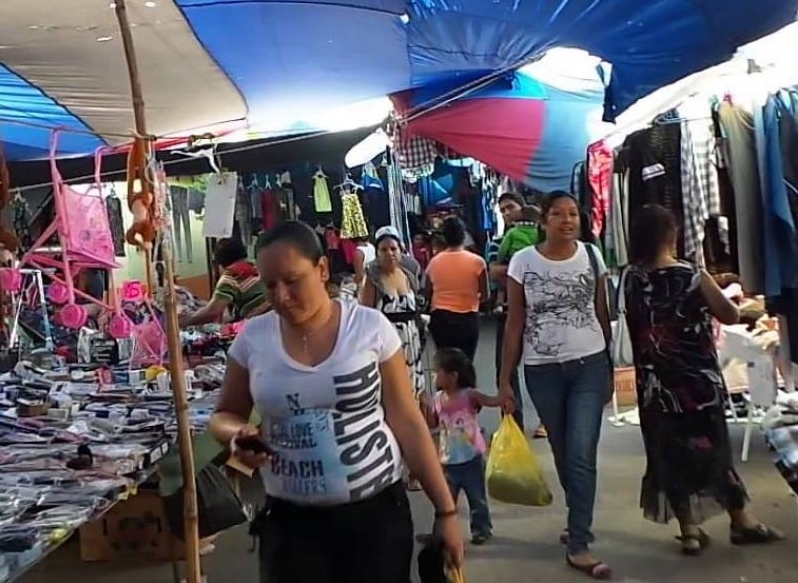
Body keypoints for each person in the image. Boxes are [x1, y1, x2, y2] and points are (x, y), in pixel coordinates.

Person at [209, 220, 463, 583]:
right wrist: (236, 435)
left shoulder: (369, 329)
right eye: (269, 285)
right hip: (290, 524)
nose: (281, 296)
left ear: (322, 269)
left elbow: (407, 422)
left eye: (292, 280)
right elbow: (224, 415)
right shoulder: (253, 340)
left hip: (375, 518)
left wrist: (446, 512)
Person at [624, 205, 784, 555]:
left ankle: (690, 531)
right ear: (671, 235)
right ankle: (741, 521)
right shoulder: (691, 275)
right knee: (711, 450)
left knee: (669, 453)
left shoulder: (630, 278)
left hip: (654, 387)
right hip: (697, 384)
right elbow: (727, 314)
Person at [499, 190, 612, 579]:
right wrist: (505, 380)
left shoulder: (592, 256)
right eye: (559, 215)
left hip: (589, 365)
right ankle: (577, 515)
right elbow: (514, 324)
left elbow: (601, 312)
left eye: (573, 215)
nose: (568, 221)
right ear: (543, 220)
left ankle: (579, 542)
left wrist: (610, 367)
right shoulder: (522, 262)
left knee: (581, 454)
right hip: (542, 370)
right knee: (565, 455)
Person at [422, 348, 501, 545]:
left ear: (453, 376)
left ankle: (481, 529)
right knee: (445, 501)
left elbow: (490, 401)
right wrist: (425, 407)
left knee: (477, 499)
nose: (434, 376)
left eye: (437, 371)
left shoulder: (468, 395)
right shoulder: (438, 399)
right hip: (448, 460)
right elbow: (432, 424)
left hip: (471, 458)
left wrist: (504, 400)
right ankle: (440, 533)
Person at [489, 192, 545, 437]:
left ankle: (546, 420)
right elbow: (493, 270)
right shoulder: (498, 240)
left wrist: (514, 269)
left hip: (538, 313)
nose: (506, 213)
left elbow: (502, 270)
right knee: (507, 369)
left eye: (509, 207)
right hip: (510, 312)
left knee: (543, 367)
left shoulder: (531, 235)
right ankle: (513, 425)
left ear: (522, 208)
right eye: (501, 210)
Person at [360, 227, 426, 400]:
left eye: (393, 249)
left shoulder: (407, 276)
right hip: (388, 344)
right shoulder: (373, 280)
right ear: (377, 253)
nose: (389, 253)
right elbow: (365, 315)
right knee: (394, 392)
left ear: (400, 250)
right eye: (384, 249)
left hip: (412, 342)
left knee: (414, 391)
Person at [425, 217, 489, 360]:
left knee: (445, 362)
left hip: (441, 319)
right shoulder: (478, 262)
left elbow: (427, 294)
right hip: (468, 319)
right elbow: (485, 295)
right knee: (466, 361)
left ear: (445, 237)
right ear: (464, 236)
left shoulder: (434, 263)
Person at [179, 238, 269, 327]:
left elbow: (212, 312)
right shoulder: (256, 265)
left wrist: (184, 321)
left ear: (220, 262)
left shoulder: (232, 274)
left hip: (260, 323)